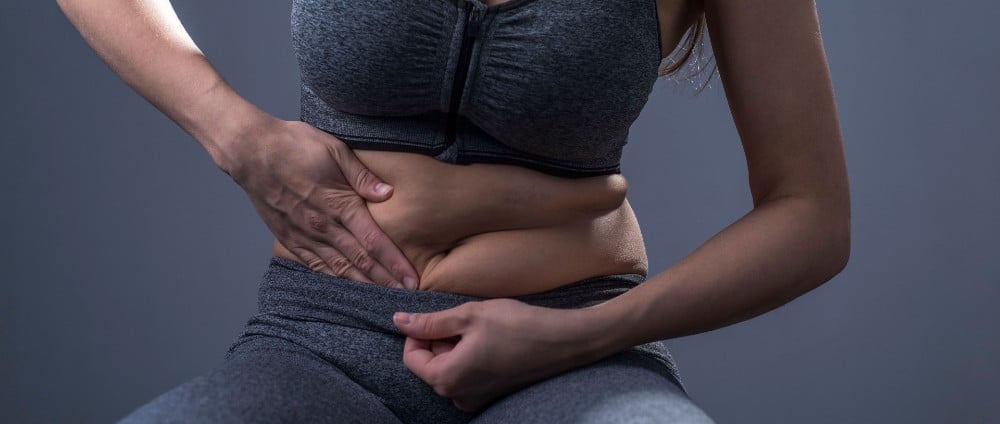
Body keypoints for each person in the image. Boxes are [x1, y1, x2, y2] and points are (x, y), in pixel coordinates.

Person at [57, 0, 850, 422]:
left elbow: (810, 214)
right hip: (322, 340)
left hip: (576, 353)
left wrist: (581, 336)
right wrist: (231, 130)